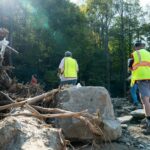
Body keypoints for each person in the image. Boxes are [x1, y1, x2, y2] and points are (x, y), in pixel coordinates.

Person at [129, 41, 150, 134]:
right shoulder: (148, 54)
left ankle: (149, 122)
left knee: (145, 101)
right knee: (146, 100)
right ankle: (147, 121)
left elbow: (131, 67)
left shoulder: (135, 54)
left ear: (136, 47)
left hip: (143, 79)